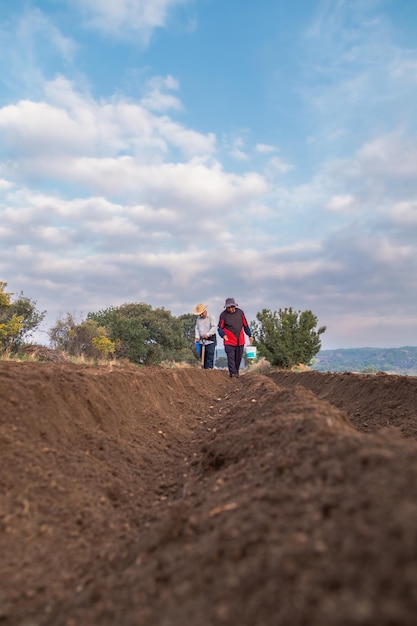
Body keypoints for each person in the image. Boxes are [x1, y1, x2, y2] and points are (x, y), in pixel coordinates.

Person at [218, 297, 254, 378]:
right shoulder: (223, 315)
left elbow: (245, 325)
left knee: (238, 359)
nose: (230, 309)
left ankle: (236, 373)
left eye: (231, 307)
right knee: (231, 358)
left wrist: (250, 335)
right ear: (226, 307)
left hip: (240, 341)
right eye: (228, 307)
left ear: (234, 306)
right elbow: (220, 328)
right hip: (229, 341)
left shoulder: (240, 313)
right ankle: (233, 373)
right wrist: (223, 335)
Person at [193, 303, 217, 369]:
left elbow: (214, 327)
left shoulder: (211, 317)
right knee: (203, 358)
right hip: (202, 341)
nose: (201, 315)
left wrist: (208, 334)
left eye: (202, 313)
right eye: (199, 314)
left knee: (209, 357)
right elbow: (197, 328)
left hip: (210, 341)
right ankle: (204, 371)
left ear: (204, 311)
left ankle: (209, 371)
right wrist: (197, 337)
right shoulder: (198, 319)